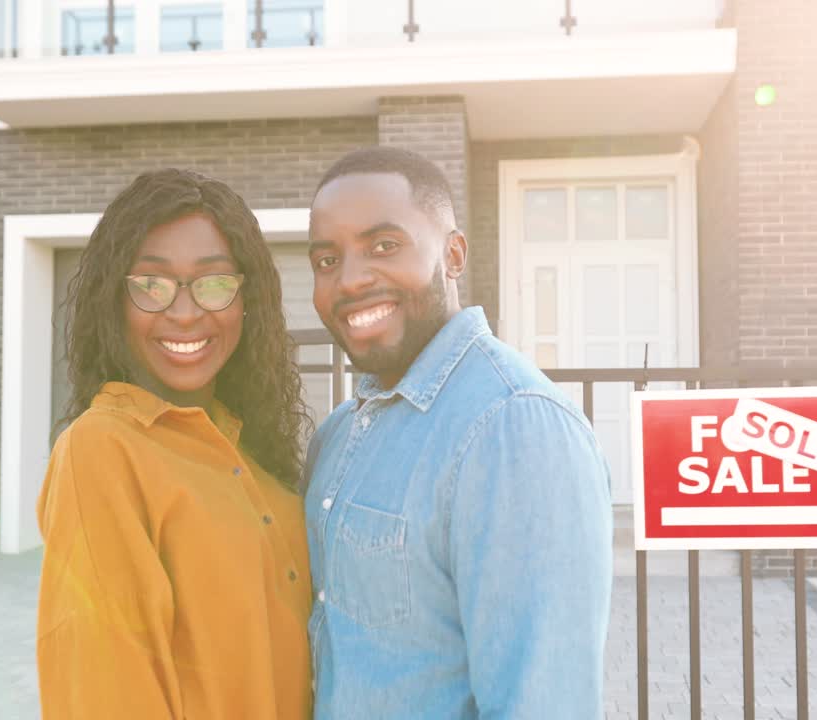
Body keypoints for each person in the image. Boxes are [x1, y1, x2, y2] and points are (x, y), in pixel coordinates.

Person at [303, 147, 613, 719]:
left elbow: (542, 705)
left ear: (453, 254)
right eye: (326, 260)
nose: (350, 280)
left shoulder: (514, 425)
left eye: (383, 246)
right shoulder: (340, 433)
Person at [36, 169, 312, 719]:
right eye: (152, 286)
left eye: (213, 284)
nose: (185, 313)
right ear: (115, 302)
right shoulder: (101, 451)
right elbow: (103, 692)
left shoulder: (251, 449)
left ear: (246, 300)